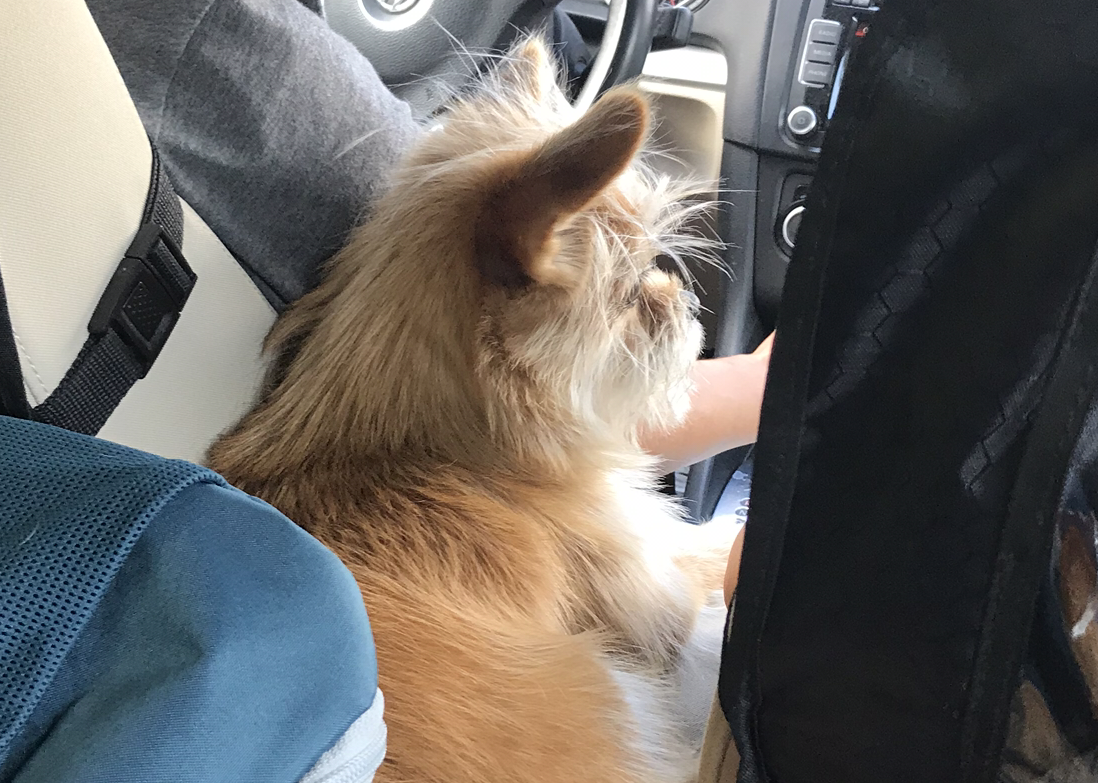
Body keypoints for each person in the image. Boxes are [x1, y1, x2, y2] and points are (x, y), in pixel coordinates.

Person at [86, 0, 768, 552]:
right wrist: (764, 387)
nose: (668, 291)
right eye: (633, 291)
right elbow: (524, 411)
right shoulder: (223, 51)